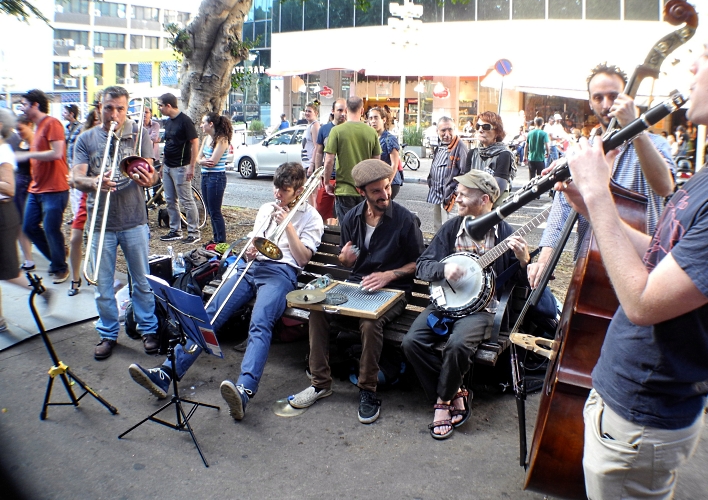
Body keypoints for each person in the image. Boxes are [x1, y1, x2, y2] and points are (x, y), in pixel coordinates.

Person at [554, 0, 708, 499]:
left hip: (641, 420)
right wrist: (587, 208)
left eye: (705, 54)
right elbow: (661, 254)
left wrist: (602, 196)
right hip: (623, 403)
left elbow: (643, 302)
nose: (688, 65)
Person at [129, 162, 324, 421]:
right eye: (276, 188)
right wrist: (253, 250)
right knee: (210, 313)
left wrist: (288, 226)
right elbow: (257, 242)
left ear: (299, 191)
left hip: (281, 274)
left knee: (260, 323)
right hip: (252, 267)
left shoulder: (312, 218)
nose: (277, 194)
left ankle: (244, 390)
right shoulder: (267, 208)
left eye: (284, 190)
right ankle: (167, 371)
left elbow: (301, 259)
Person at [528, 63, 676, 322]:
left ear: (627, 98)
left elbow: (665, 186)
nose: (606, 104)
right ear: (590, 102)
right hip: (589, 266)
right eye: (598, 97)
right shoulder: (582, 150)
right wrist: (545, 258)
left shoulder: (654, 143)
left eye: (613, 96)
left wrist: (636, 128)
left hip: (640, 264)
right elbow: (563, 205)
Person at [289, 160, 424, 424]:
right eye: (376, 191)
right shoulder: (351, 218)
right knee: (318, 310)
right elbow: (346, 260)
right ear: (362, 192)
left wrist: (389, 275)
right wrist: (345, 259)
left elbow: (419, 263)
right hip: (357, 285)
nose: (384, 195)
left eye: (387, 188)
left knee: (369, 322)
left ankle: (368, 390)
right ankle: (320, 383)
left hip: (395, 291)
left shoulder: (405, 219)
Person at [403, 170, 530, 440]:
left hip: (482, 310)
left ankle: (441, 403)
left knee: (458, 345)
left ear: (484, 199)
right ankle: (457, 391)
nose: (456, 197)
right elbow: (423, 266)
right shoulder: (452, 228)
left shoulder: (504, 234)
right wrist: (443, 270)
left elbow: (520, 283)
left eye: (463, 193)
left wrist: (522, 261)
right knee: (411, 342)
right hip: (445, 303)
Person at [72, 86, 159, 360]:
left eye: (120, 108)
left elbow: (151, 171)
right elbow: (76, 178)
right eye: (109, 107)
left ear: (127, 109)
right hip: (101, 223)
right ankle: (108, 334)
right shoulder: (86, 139)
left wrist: (150, 179)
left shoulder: (138, 134)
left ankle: (148, 329)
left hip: (134, 219)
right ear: (100, 107)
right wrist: (94, 182)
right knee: (103, 285)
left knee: (142, 281)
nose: (114, 114)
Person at [0, 109, 52, 333]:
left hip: (3, 215)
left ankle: (42, 291)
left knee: (9, 272)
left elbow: (8, 188)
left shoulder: (3, 152)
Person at [16, 90, 70, 284]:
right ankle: (58, 256)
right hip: (36, 188)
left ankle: (60, 267)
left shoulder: (52, 123)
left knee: (50, 229)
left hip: (55, 189)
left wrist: (28, 155)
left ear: (35, 105)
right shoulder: (37, 127)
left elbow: (56, 153)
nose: (21, 107)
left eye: (24, 103)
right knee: (29, 226)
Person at [323, 95, 380, 224]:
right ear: (362, 111)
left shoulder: (336, 131)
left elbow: (329, 161)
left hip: (344, 190)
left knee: (346, 229)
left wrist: (327, 183)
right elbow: (377, 162)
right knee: (364, 228)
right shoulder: (371, 132)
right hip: (365, 190)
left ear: (346, 110)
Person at [66, 111, 100, 297]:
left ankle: (99, 278)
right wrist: (75, 179)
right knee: (75, 238)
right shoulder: (83, 140)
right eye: (95, 120)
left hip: (103, 196)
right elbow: (75, 174)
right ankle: (75, 278)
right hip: (85, 196)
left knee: (98, 241)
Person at [158, 92, 200, 244]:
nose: (159, 108)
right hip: (168, 166)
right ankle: (175, 230)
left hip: (181, 166)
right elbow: (168, 144)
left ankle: (194, 232)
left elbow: (195, 143)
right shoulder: (168, 122)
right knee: (170, 199)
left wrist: (192, 166)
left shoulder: (185, 121)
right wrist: (163, 165)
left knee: (186, 200)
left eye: (160, 105)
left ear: (169, 105)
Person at [426, 116, 468, 231]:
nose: (447, 134)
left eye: (450, 129)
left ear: (455, 129)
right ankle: (439, 249)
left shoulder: (460, 147)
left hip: (450, 197)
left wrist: (455, 193)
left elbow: (465, 173)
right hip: (437, 195)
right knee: (438, 228)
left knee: (449, 230)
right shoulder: (440, 145)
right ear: (437, 131)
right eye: (443, 130)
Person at [465, 111, 516, 206]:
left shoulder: (504, 155)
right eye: (478, 126)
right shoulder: (472, 153)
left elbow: (496, 189)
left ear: (497, 132)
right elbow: (465, 184)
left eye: (486, 127)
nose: (480, 130)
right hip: (472, 206)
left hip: (492, 210)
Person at [198, 112, 233, 244]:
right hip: (205, 176)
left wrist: (202, 160)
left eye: (203, 123)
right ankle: (216, 238)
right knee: (210, 210)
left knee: (215, 211)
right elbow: (198, 157)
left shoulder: (222, 140)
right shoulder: (207, 138)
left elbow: (213, 161)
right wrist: (201, 161)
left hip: (216, 178)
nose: (202, 125)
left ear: (211, 124)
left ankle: (221, 241)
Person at [314, 98, 346, 223]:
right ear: (333, 111)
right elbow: (319, 152)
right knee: (321, 210)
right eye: (339, 110)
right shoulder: (324, 129)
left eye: (345, 110)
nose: (343, 113)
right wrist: (318, 174)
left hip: (344, 178)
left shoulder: (350, 129)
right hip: (328, 176)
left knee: (343, 213)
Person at [10, 116, 34, 271]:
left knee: (31, 224)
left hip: (33, 185)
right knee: (21, 224)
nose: (18, 132)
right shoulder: (18, 142)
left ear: (29, 125)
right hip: (19, 185)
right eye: (16, 129)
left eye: (20, 129)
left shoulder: (37, 142)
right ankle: (28, 258)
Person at [367, 106, 403, 199]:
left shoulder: (389, 139)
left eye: (376, 118)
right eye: (371, 118)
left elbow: (394, 164)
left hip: (390, 182)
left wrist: (387, 185)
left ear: (384, 119)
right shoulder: (371, 138)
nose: (373, 121)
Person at [63, 103, 83, 220]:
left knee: (78, 189)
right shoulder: (66, 128)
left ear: (72, 114)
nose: (63, 114)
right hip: (68, 161)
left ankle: (80, 215)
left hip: (77, 162)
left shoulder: (80, 127)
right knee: (72, 189)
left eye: (65, 112)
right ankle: (76, 215)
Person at [301, 102, 321, 179]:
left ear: (316, 113)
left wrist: (312, 164)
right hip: (306, 164)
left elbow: (317, 146)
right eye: (306, 111)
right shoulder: (310, 125)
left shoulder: (315, 126)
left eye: (309, 111)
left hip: (311, 164)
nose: (307, 113)